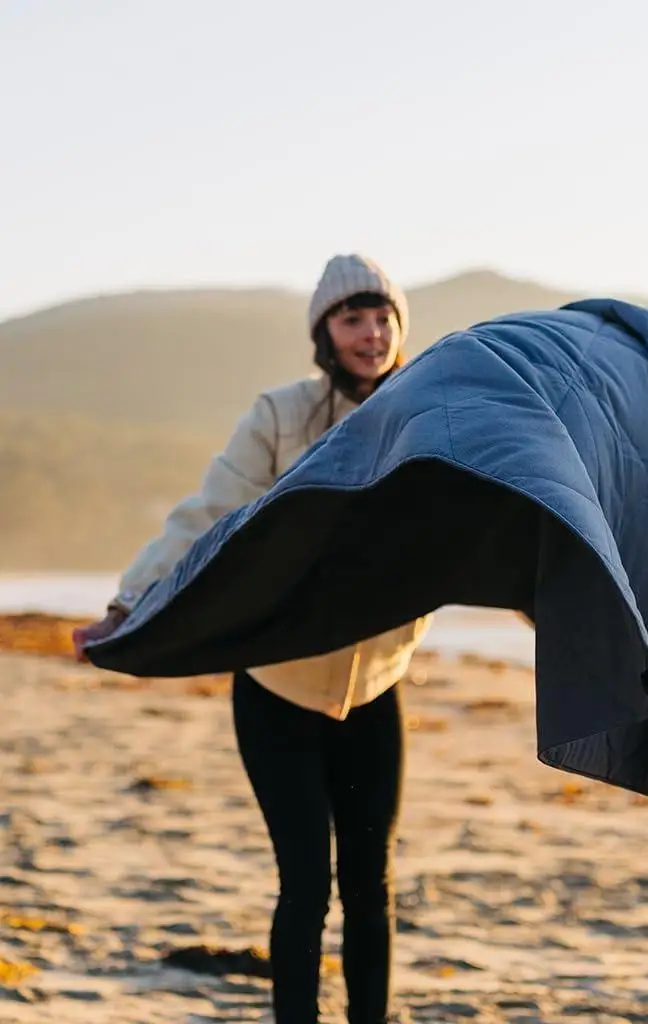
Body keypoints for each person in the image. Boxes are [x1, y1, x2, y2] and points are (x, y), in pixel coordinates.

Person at [74, 254, 430, 1024]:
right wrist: (127, 600)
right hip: (278, 689)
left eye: (382, 319)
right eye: (351, 319)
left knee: (371, 884)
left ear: (400, 328)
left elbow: (498, 528)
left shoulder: (429, 415)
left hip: (374, 690)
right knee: (306, 884)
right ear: (323, 333)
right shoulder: (280, 416)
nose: (370, 334)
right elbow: (208, 513)